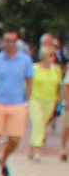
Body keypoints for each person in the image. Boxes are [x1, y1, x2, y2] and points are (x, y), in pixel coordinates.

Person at [0, 28, 35, 176]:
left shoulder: (25, 60)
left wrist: (27, 100)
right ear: (2, 42)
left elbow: (30, 80)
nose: (9, 44)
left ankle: (3, 159)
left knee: (15, 137)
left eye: (12, 41)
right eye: (7, 40)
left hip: (17, 103)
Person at [32, 34, 63, 164]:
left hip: (50, 100)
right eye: (50, 55)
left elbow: (59, 85)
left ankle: (31, 147)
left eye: (54, 56)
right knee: (38, 123)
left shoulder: (56, 69)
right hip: (35, 99)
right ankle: (38, 151)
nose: (53, 58)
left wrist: (60, 100)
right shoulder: (34, 68)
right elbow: (27, 84)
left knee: (41, 126)